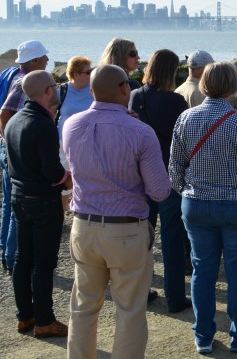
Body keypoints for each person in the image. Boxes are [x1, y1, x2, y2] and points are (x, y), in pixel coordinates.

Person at [63, 65, 172, 358]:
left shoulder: (71, 125)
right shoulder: (140, 132)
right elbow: (159, 191)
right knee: (130, 310)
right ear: (124, 88)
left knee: (83, 308)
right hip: (126, 229)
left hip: (84, 226)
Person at [169, 62, 237, 354]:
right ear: (233, 86)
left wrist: (189, 191)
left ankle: (203, 336)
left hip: (197, 204)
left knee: (203, 270)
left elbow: (174, 170)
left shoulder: (185, 118)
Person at [5, 70, 71, 337]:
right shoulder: (42, 124)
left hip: (19, 198)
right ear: (47, 91)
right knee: (44, 264)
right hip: (43, 201)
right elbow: (52, 171)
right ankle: (44, 320)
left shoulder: (14, 120)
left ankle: (25, 316)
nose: (57, 90)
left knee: (23, 259)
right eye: (54, 86)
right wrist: (69, 180)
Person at [128, 49, 191, 313]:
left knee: (142, 239)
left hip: (142, 174)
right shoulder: (176, 102)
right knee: (173, 239)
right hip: (170, 175)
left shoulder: (134, 96)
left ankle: (140, 291)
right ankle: (175, 298)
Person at [0, 40, 50, 274]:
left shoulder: (10, 73)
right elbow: (5, 112)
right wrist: (11, 142)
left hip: (7, 147)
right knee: (15, 203)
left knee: (9, 201)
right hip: (14, 149)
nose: (47, 61)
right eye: (43, 58)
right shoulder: (24, 83)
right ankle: (12, 258)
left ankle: (5, 251)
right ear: (33, 61)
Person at [55, 55, 95, 211]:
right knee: (65, 183)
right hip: (63, 143)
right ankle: (60, 216)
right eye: (88, 71)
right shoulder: (62, 91)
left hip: (89, 142)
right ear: (76, 74)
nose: (91, 74)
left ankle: (85, 212)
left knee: (87, 180)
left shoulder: (94, 89)